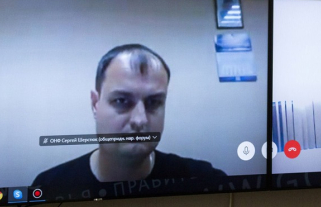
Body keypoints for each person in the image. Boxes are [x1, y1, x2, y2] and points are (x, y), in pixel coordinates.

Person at [33, 44, 226, 190]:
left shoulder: (203, 180)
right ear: (95, 104)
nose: (140, 120)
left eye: (154, 102)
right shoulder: (50, 186)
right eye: (121, 101)